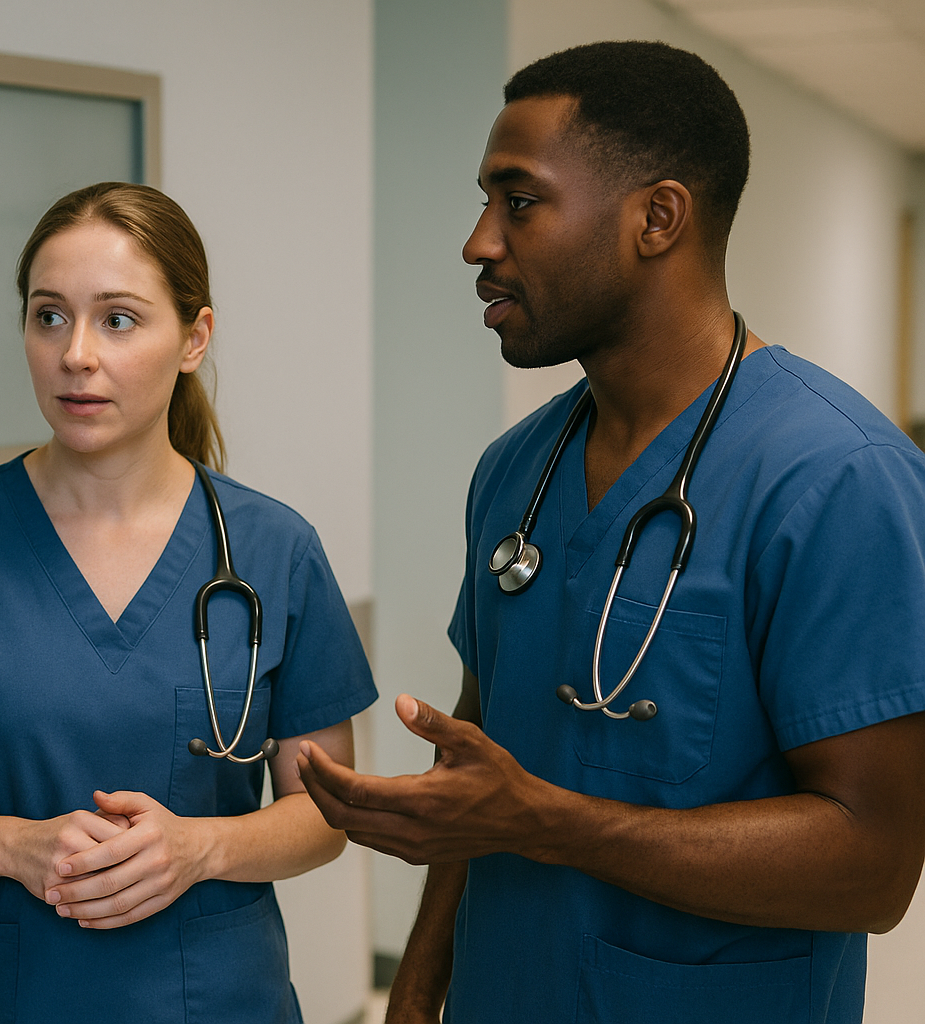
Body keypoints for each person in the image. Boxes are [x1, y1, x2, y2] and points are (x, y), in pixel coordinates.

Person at [297, 41, 925, 1024]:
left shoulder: (836, 477)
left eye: (519, 200)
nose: (478, 241)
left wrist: (551, 823)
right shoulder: (516, 472)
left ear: (657, 218)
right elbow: (481, 775)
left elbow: (874, 864)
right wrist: (416, 994)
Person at [0, 181, 378, 1022]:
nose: (75, 354)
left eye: (118, 319)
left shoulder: (275, 552)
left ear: (195, 337)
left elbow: (326, 813)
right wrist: (8, 844)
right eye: (49, 316)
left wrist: (201, 848)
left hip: (213, 998)